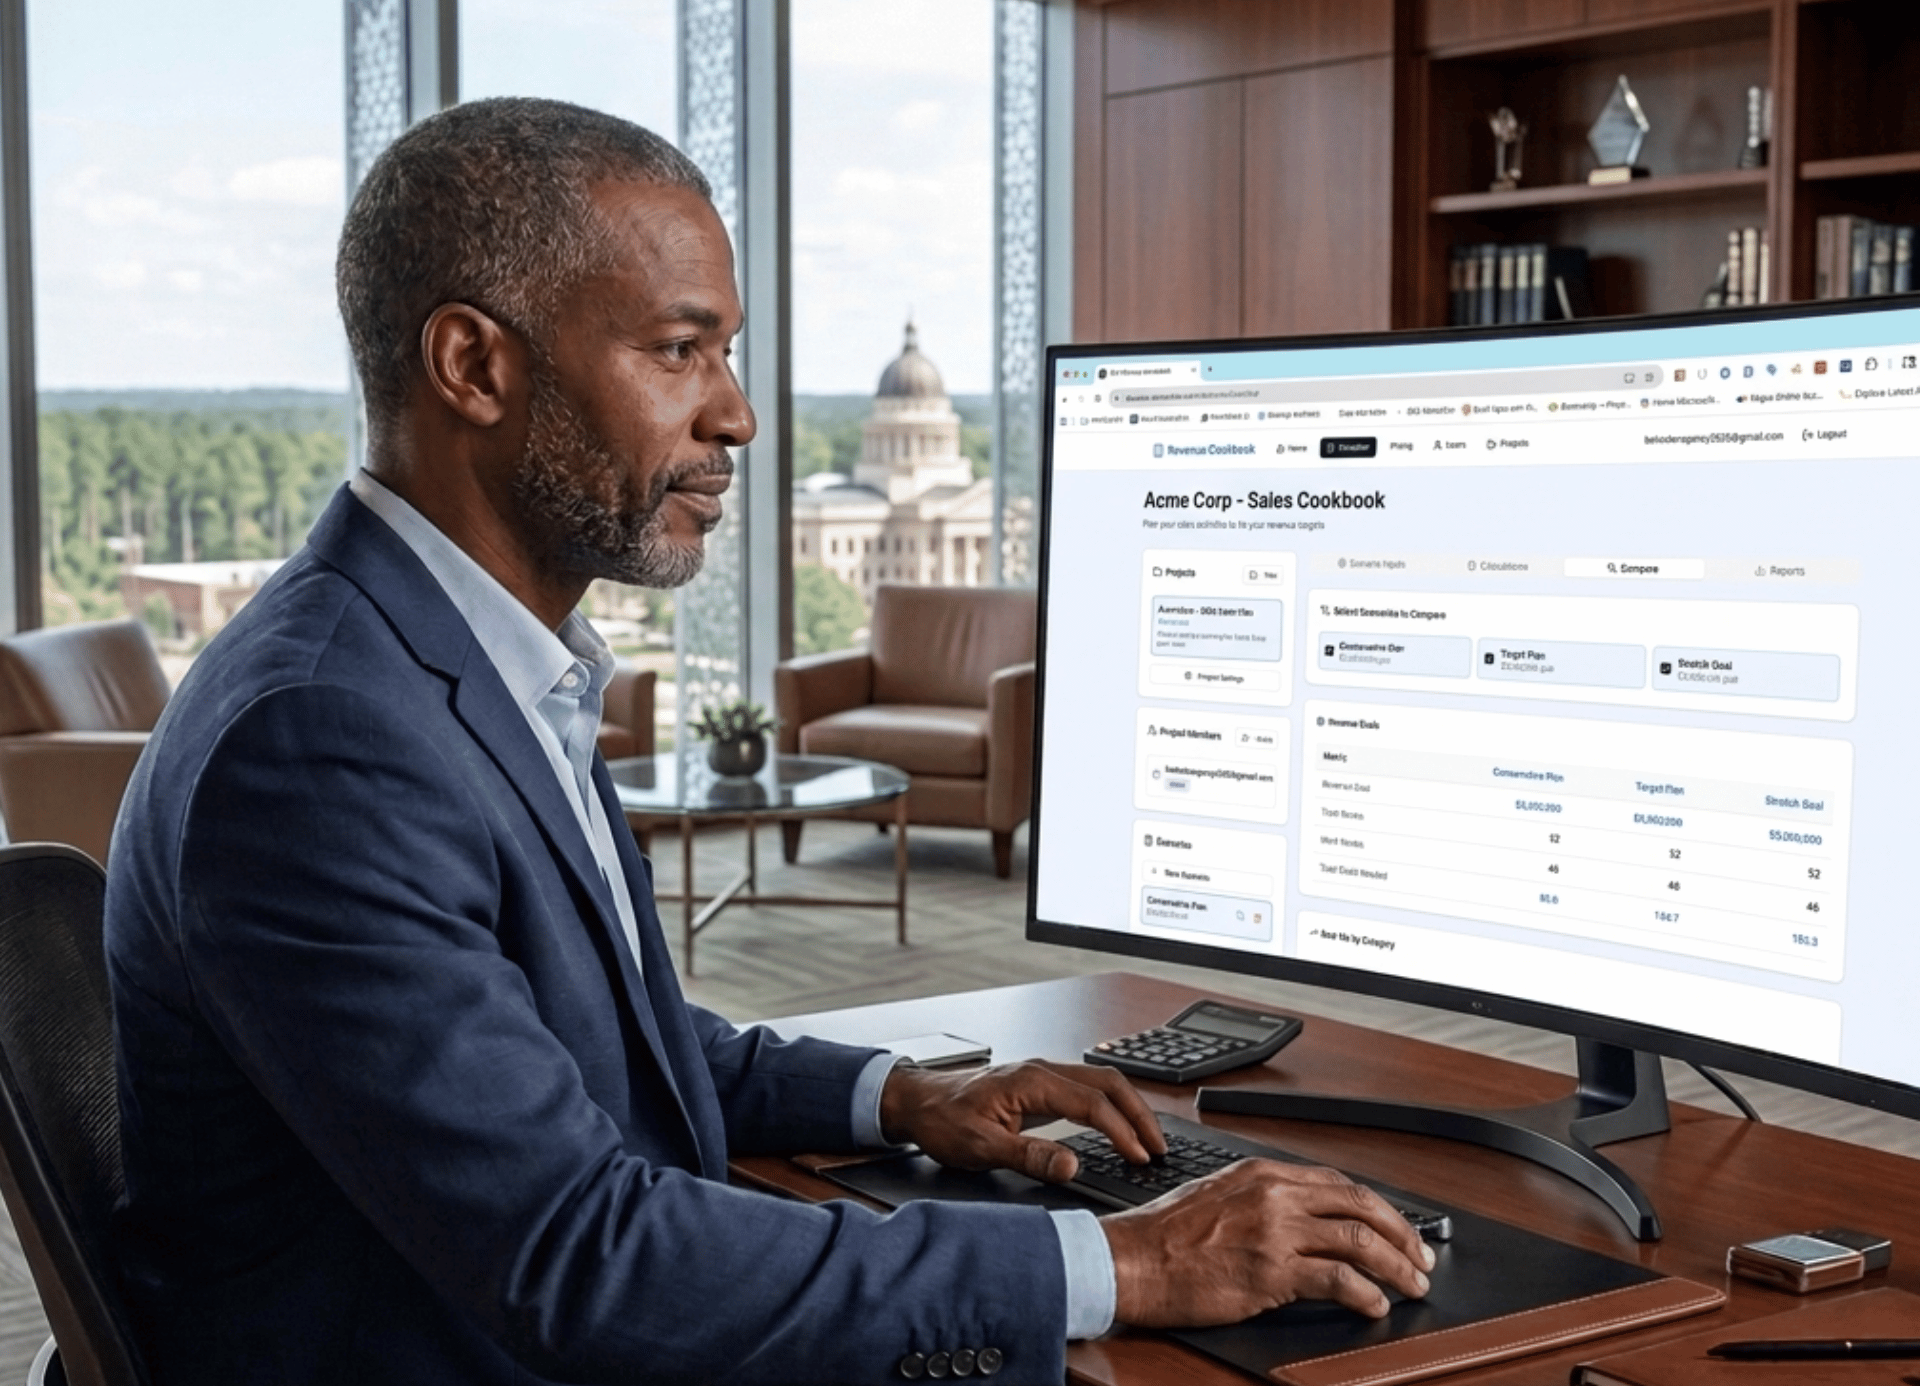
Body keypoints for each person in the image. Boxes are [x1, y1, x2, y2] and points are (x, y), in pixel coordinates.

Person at [103, 98, 1432, 1385]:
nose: (737, 414)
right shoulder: (326, 738)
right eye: (681, 350)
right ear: (475, 366)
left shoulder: (453, 664)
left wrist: (897, 1096)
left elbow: (589, 1046)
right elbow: (581, 1258)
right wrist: (1120, 1264)